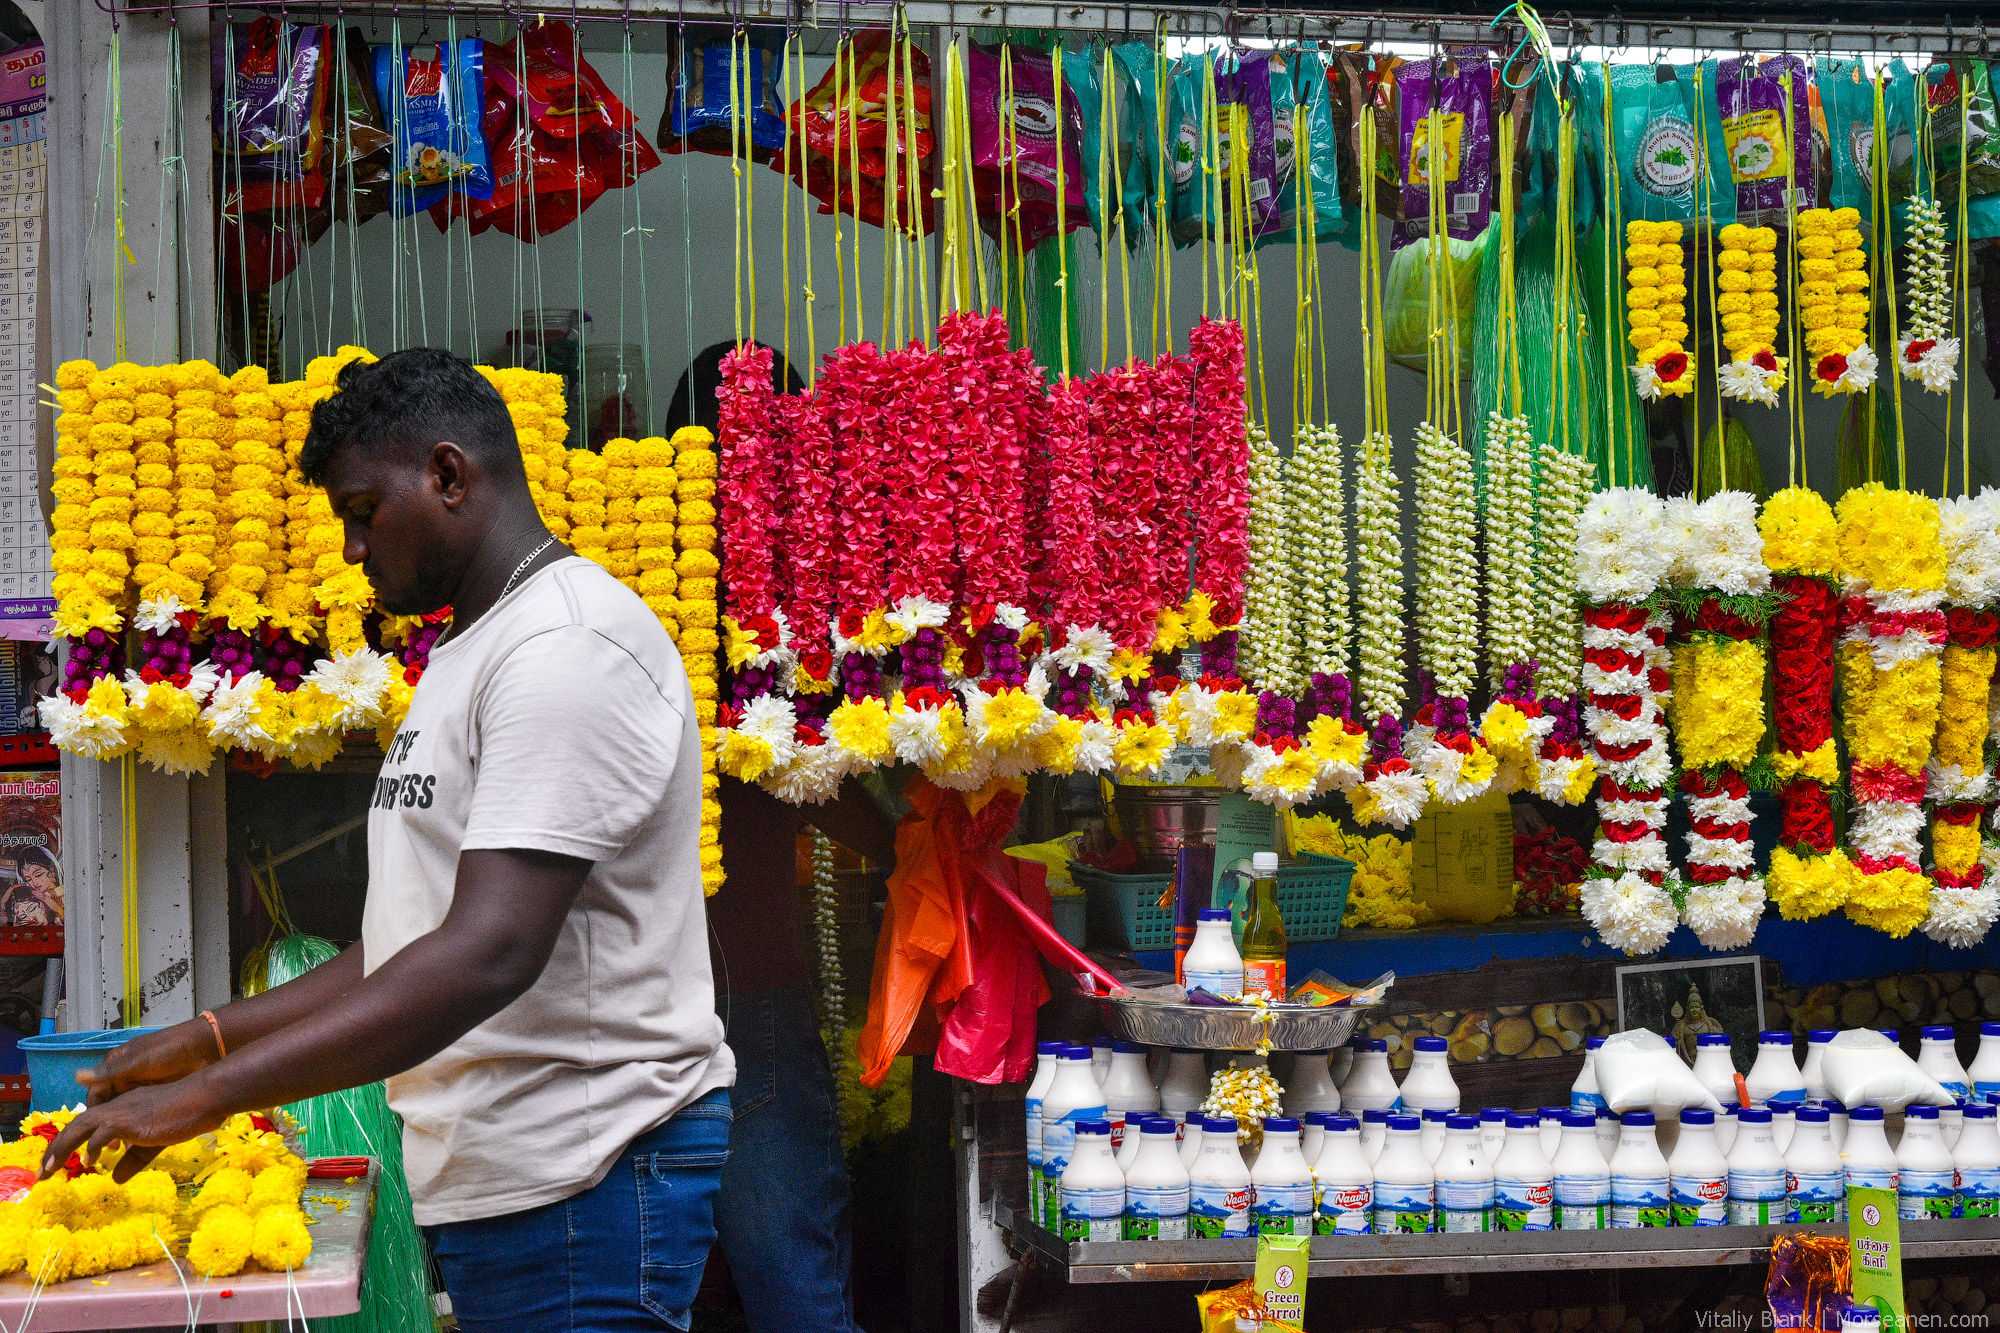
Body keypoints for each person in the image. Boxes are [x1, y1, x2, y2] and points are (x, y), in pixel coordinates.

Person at [42, 348, 733, 1333]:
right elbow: (407, 942)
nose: (355, 549)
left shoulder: (565, 648)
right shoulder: (473, 650)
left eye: (364, 510)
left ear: (449, 476)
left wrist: (212, 1094)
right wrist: (198, 1043)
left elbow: (487, 950)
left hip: (589, 1177)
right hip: (519, 1177)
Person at [671, 342, 892, 1333]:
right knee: (786, 1278)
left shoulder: (689, 575)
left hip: (694, 986)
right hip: (730, 991)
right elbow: (785, 768)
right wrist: (905, 844)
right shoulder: (715, 593)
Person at [1, 846, 60, 926]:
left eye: (38, 875)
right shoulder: (34, 898)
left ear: (51, 870)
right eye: (28, 879)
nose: (35, 883)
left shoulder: (62, 893)